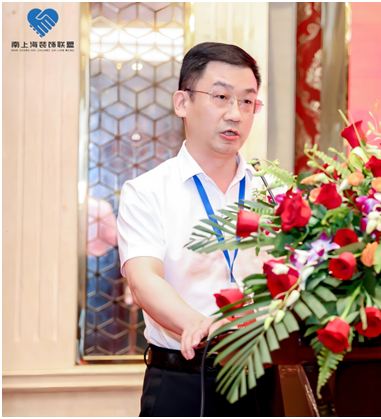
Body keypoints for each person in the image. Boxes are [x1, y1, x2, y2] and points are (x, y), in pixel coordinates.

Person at [117, 42, 276, 417]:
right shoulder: (147, 192)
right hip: (182, 380)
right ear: (182, 103)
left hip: (267, 380)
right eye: (221, 97)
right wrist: (198, 325)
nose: (235, 114)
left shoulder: (276, 192)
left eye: (247, 101)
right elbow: (143, 279)